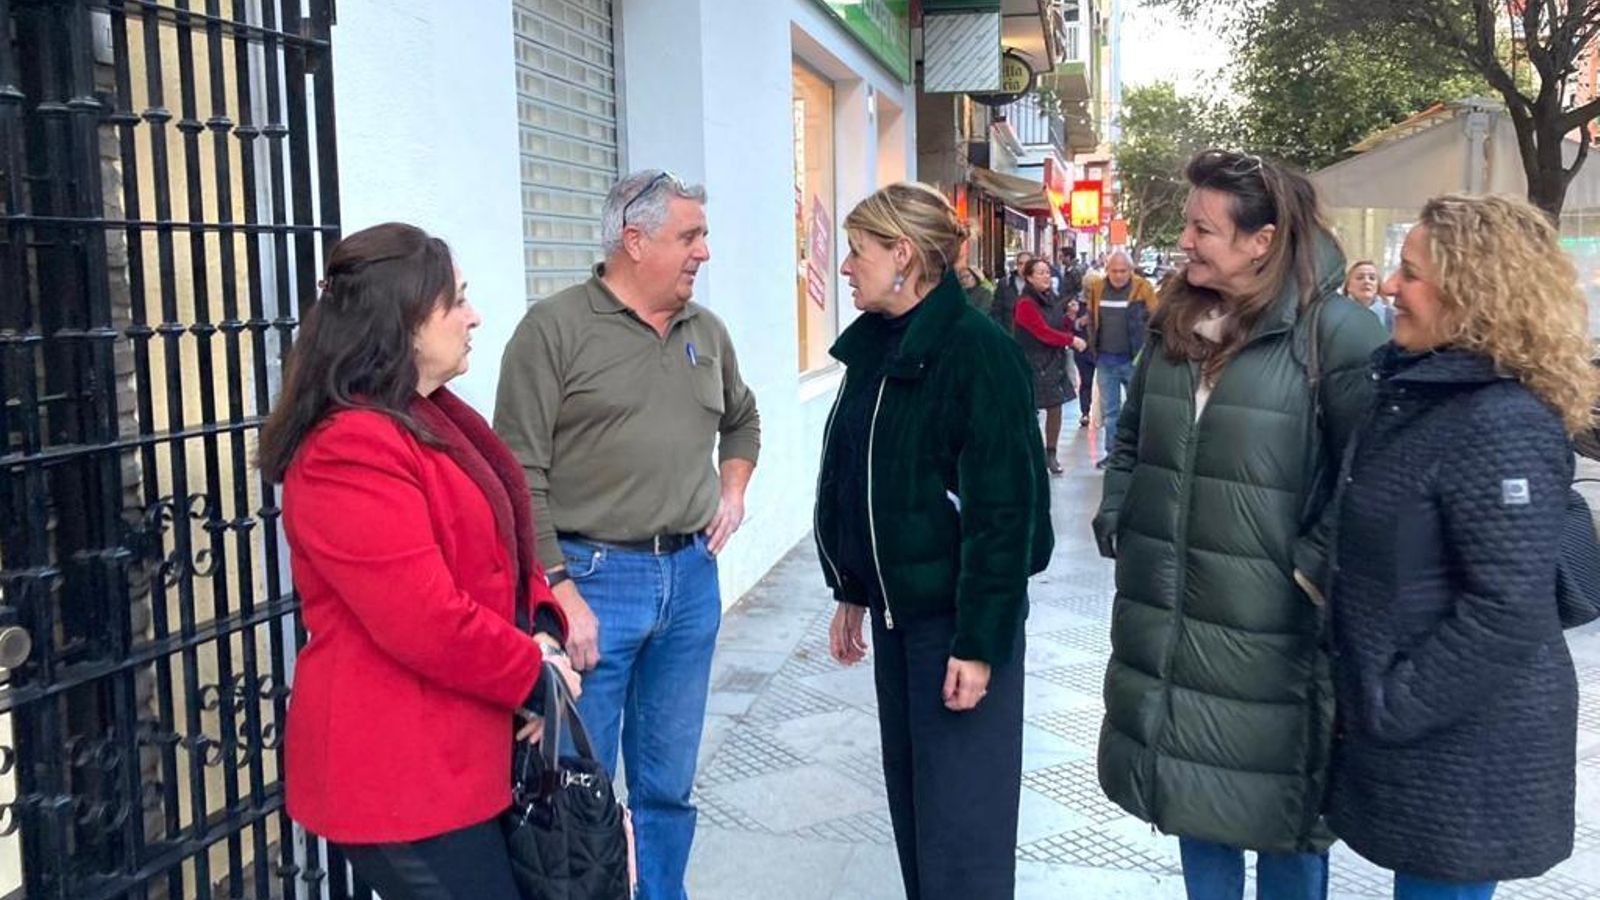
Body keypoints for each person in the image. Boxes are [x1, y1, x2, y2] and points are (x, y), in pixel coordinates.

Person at [1091, 149, 1388, 900]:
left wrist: (1310, 570)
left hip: (1277, 639)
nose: (1185, 241)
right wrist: (1120, 505)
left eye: (1202, 228)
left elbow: (1374, 476)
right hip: (1174, 622)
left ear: (1261, 240)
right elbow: (1131, 436)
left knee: (1283, 820)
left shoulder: (1339, 335)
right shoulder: (1176, 321)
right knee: (1196, 807)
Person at [260, 223, 581, 899]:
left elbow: (501, 551)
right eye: (456, 301)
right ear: (403, 324)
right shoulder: (350, 447)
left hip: (458, 751)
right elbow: (423, 617)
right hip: (396, 771)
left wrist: (543, 630)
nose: (474, 316)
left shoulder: (426, 416)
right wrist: (534, 674)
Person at [494, 169, 761, 900]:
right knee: (580, 779)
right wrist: (560, 590)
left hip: (690, 581)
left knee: (668, 781)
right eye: (689, 236)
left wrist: (731, 490)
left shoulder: (705, 333)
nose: (703, 252)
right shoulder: (552, 330)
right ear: (633, 241)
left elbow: (743, 417)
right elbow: (517, 475)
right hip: (592, 581)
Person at [1328, 194, 1595, 900]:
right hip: (1426, 728)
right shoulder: (1420, 395)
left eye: (1409, 274)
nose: (1388, 288)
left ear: (1471, 291)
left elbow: (1507, 606)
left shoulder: (1502, 420)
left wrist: (1394, 700)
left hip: (1466, 738)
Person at [815, 182, 1053, 900]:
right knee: (919, 822)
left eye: (858, 251)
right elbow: (859, 478)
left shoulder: (976, 354)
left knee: (963, 840)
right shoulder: (879, 350)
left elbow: (1006, 516)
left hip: (956, 629)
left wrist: (979, 644)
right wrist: (851, 586)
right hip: (897, 622)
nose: (845, 267)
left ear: (904, 255)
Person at [1083, 250, 1159, 466]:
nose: (1118, 275)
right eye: (1114, 271)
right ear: (1107, 270)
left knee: (1139, 409)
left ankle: (1139, 454)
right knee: (1111, 413)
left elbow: (1156, 318)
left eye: (1123, 271)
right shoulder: (1097, 288)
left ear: (1131, 270)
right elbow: (1092, 318)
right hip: (1106, 360)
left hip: (1133, 360)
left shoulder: (1142, 288)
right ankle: (1114, 454)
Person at [1014, 257, 1088, 475]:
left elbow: (1056, 325)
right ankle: (1028, 454)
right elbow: (1042, 333)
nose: (1046, 276)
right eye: (1040, 273)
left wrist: (1069, 317)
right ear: (1028, 277)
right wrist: (1071, 340)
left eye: (1047, 272)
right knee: (1030, 410)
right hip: (1032, 361)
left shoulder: (1051, 298)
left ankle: (1051, 454)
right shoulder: (1025, 304)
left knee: (1055, 407)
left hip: (1052, 361)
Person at [1342, 259, 1394, 333]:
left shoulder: (1392, 318)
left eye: (1372, 278)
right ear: (1348, 286)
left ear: (1378, 286)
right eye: (1360, 278)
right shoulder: (1336, 317)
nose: (1367, 281)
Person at [991, 250, 1031, 334]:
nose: (1024, 267)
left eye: (1027, 263)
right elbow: (996, 310)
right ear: (1016, 265)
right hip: (1009, 332)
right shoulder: (1005, 283)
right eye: (1020, 264)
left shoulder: (1037, 284)